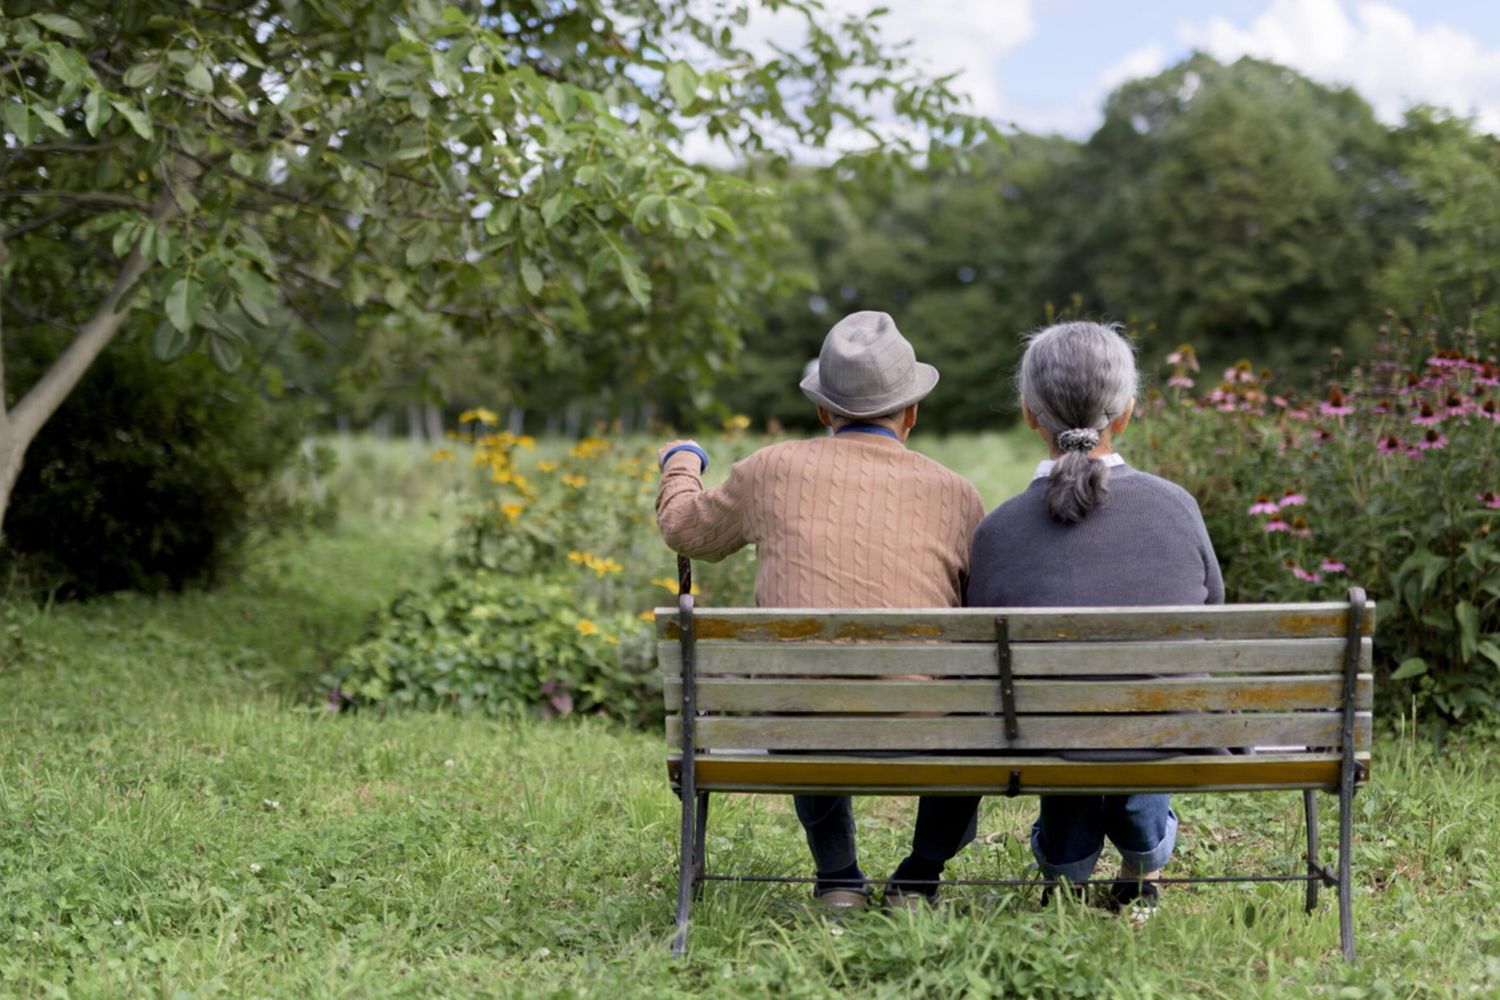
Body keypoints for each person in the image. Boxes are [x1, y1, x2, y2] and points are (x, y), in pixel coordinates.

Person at [655, 311, 986, 912]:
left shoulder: (769, 470)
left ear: (823, 412)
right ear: (911, 413)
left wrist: (681, 461)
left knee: (806, 684)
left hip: (795, 728)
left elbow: (685, 530)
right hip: (927, 730)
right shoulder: (957, 492)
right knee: (973, 712)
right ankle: (918, 879)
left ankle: (839, 877)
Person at [965, 321, 1224, 912]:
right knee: (1145, 704)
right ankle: (1143, 861)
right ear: (1126, 411)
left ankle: (1065, 867)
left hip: (1040, 737)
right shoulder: (1175, 507)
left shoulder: (999, 530)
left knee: (1063, 710)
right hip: (1161, 732)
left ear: (1030, 413)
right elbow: (1211, 619)